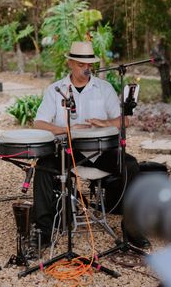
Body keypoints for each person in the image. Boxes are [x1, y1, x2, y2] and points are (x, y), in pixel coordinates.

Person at [31, 41, 150, 249]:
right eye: (80, 64)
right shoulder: (56, 90)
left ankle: (131, 227)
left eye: (89, 65)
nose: (86, 68)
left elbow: (125, 121)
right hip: (68, 150)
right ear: (69, 63)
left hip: (101, 151)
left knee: (130, 165)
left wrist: (106, 123)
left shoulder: (104, 88)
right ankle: (44, 230)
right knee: (42, 167)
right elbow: (39, 123)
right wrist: (68, 130)